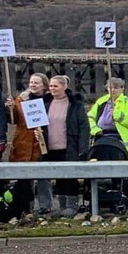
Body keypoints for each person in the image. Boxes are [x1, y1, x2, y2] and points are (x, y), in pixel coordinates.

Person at [6, 73, 53, 215]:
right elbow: (13, 120)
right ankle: (27, 205)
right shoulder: (21, 99)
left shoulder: (51, 100)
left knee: (44, 176)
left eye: (36, 83)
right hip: (24, 142)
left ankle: (46, 205)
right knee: (25, 177)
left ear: (44, 85)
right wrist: (10, 108)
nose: (32, 85)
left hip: (43, 142)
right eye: (31, 82)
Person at [42, 75, 90, 214]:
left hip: (70, 146)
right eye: (50, 86)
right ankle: (62, 206)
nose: (52, 89)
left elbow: (84, 127)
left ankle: (72, 206)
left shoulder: (75, 104)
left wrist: (83, 147)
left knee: (70, 177)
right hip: (50, 147)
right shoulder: (45, 104)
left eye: (55, 86)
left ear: (64, 87)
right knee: (58, 178)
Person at [88, 76, 128, 160]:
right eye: (110, 88)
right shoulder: (101, 101)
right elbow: (90, 117)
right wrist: (95, 130)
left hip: (121, 140)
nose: (112, 90)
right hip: (102, 137)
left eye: (116, 88)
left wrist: (117, 115)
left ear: (122, 89)